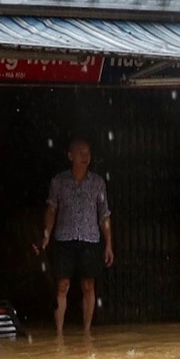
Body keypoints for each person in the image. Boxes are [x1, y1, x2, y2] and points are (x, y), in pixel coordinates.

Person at [41, 137, 113, 337]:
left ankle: (87, 331)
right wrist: (46, 235)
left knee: (88, 285)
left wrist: (109, 244)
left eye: (87, 153)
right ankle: (59, 332)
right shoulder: (59, 181)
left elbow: (104, 214)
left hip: (90, 239)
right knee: (62, 285)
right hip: (65, 238)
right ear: (70, 156)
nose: (85, 156)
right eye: (80, 153)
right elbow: (51, 209)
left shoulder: (98, 182)